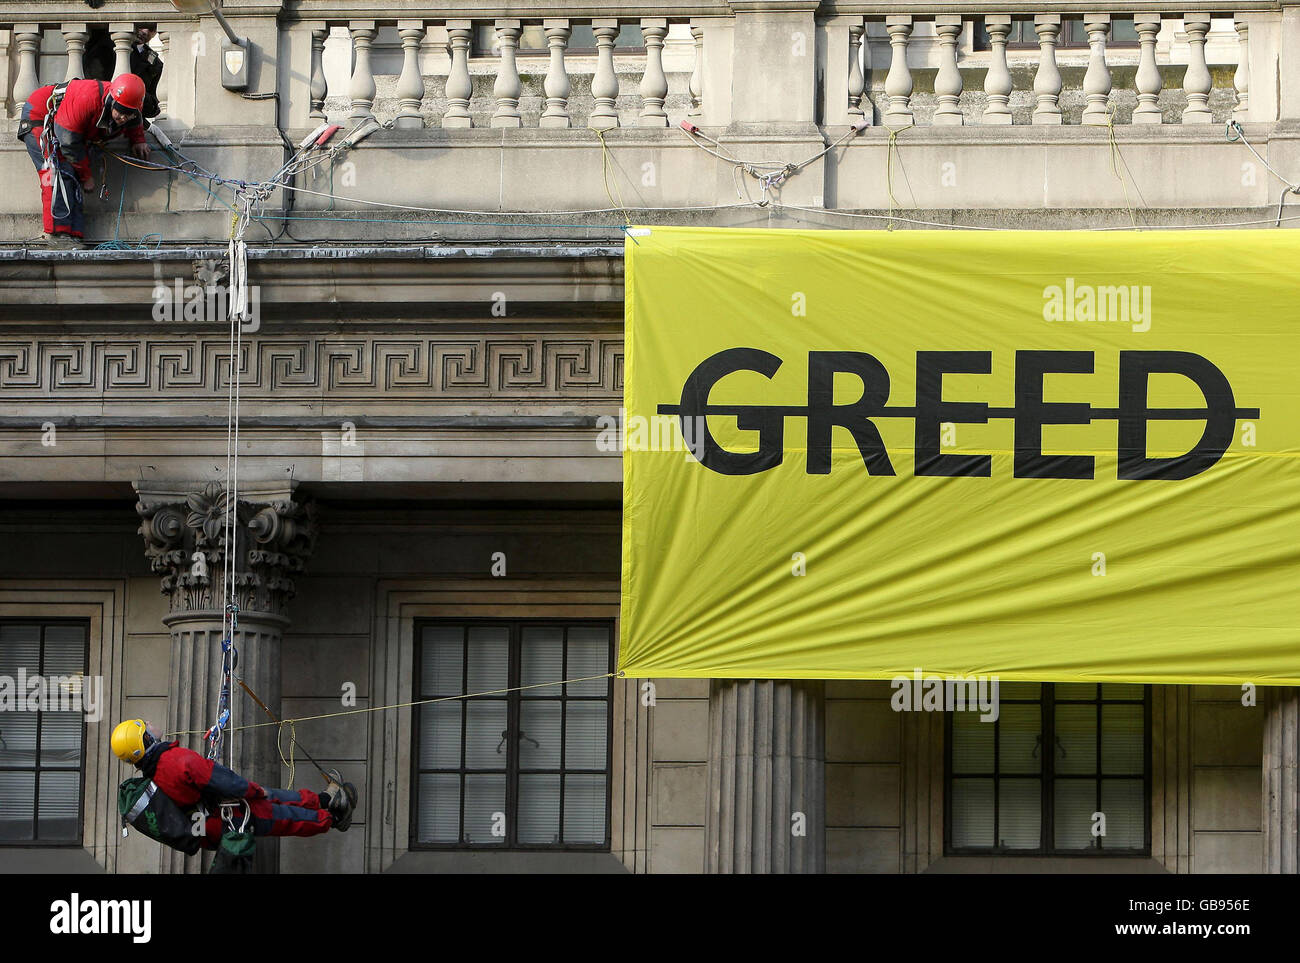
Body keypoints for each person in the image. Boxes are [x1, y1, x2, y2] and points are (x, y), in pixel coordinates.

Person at [111, 719, 357, 850]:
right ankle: (334, 818)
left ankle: (326, 800)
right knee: (285, 817)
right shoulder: (175, 760)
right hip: (232, 813)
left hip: (218, 819)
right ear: (146, 738)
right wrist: (253, 790)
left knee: (282, 801)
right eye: (144, 725)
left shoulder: (155, 771)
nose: (150, 723)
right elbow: (223, 781)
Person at [16, 74, 150, 248]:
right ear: (111, 101)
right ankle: (56, 235)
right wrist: (87, 176)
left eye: (129, 114)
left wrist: (138, 139)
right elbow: (68, 142)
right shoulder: (87, 99)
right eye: (121, 111)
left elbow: (134, 119)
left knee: (72, 177)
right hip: (40, 116)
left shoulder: (128, 109)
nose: (123, 118)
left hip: (69, 128)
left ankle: (73, 235)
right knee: (55, 173)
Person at [84, 26, 165, 120]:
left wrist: (138, 95)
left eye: (151, 29)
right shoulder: (106, 45)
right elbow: (92, 81)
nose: (145, 31)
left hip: (130, 120)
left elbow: (154, 108)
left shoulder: (155, 64)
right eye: (142, 25)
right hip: (99, 113)